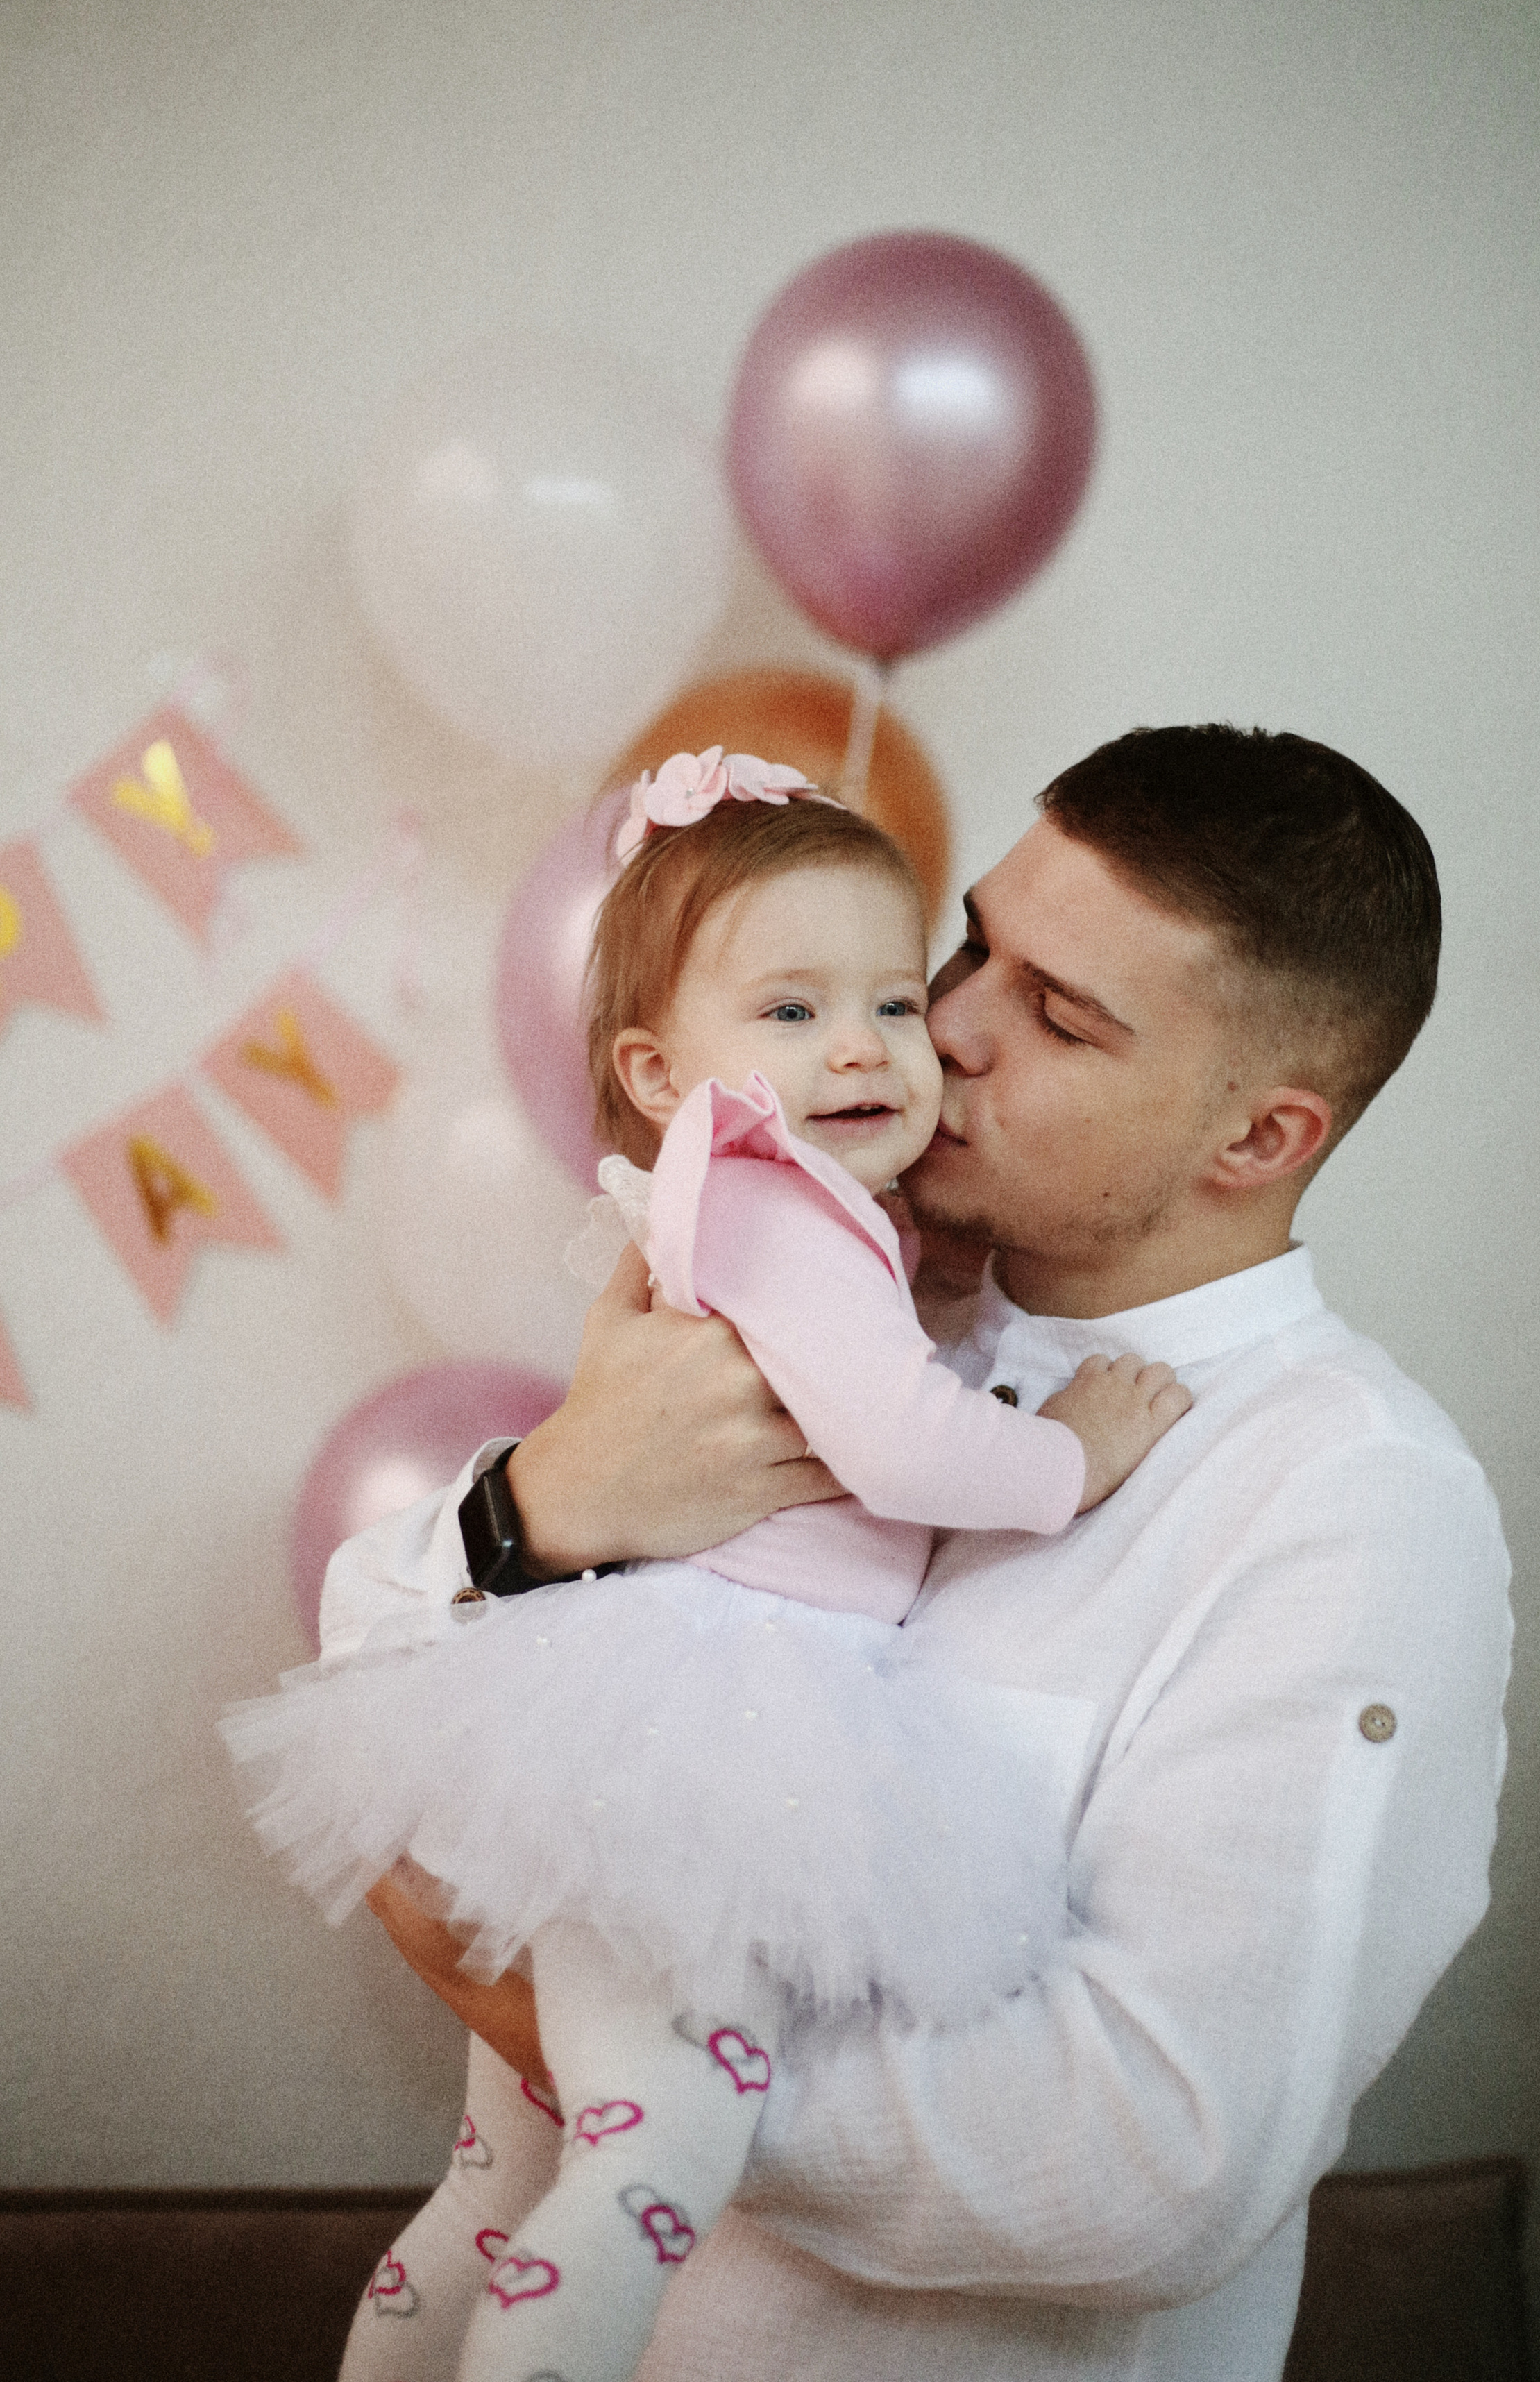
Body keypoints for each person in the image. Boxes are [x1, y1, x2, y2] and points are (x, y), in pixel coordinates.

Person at [351, 723, 1513, 2382]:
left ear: (1256, 1140)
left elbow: (1153, 2164)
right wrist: (541, 1508)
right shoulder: (828, 1290)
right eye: (969, 943)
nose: (936, 1028)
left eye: (1055, 1017)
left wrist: (621, 2062)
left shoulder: (1350, 1506)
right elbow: (365, 1666)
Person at [226, 750, 1187, 2382]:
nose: (874, 1047)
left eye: (890, 1000)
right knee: (658, 2148)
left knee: (507, 2168)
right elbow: (897, 1448)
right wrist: (1074, 1450)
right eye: (792, 1012)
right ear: (661, 1074)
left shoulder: (789, 1207)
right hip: (714, 1726)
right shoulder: (775, 1206)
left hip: (645, 1707)